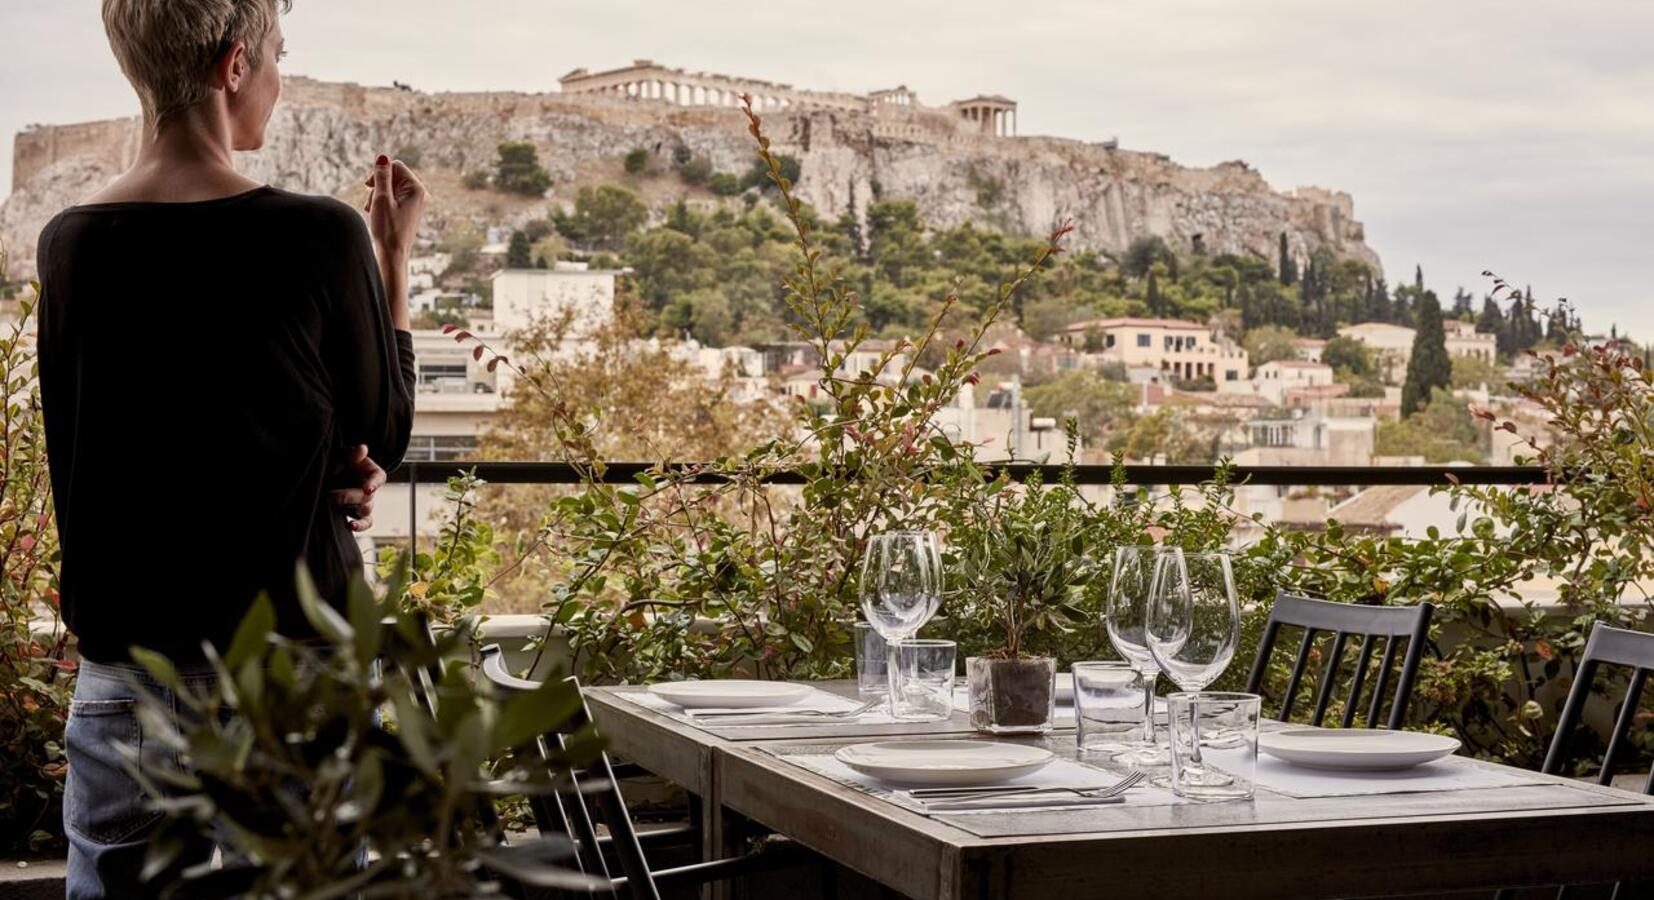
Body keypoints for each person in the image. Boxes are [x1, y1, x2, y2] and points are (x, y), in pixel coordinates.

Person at [35, 2, 426, 896]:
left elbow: (109, 449)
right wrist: (390, 260)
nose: (283, 79)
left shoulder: (69, 245)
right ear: (235, 65)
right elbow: (385, 430)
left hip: (131, 669)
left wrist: (329, 457)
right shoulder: (318, 235)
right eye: (280, 54)